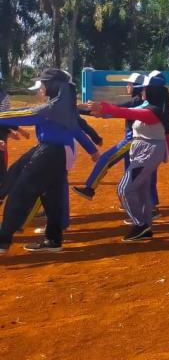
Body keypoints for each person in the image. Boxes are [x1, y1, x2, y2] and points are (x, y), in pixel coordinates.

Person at [0, 69, 99, 254]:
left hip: (51, 152)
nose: (40, 88)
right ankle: (53, 239)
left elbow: (24, 115)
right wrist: (92, 150)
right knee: (52, 196)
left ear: (53, 86)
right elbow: (76, 130)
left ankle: (3, 240)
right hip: (58, 152)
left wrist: (92, 149)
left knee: (21, 192)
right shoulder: (63, 106)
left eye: (43, 84)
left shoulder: (52, 109)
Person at [88, 73, 169, 241]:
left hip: (148, 152)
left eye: (144, 89)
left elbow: (127, 112)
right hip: (143, 151)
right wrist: (100, 112)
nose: (141, 91)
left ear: (152, 91)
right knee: (141, 190)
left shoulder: (153, 111)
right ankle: (145, 225)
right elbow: (127, 111)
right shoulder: (149, 105)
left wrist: (104, 107)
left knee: (124, 188)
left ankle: (140, 224)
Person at [73, 73, 146, 200]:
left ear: (136, 87)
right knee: (131, 171)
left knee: (105, 159)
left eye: (129, 84)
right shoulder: (138, 101)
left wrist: (76, 109)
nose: (127, 86)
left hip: (133, 139)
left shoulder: (136, 102)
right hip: (135, 138)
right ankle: (140, 202)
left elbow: (113, 109)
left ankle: (90, 188)